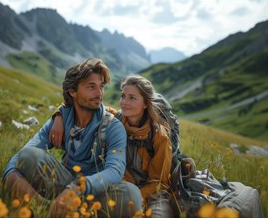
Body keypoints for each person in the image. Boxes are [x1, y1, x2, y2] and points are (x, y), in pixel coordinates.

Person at [3, 58, 142, 217]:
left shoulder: (113, 127)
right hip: (60, 184)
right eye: (91, 87)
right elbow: (25, 152)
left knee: (132, 195)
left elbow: (115, 170)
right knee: (28, 155)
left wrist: (78, 188)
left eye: (101, 87)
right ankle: (51, 208)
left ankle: (51, 210)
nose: (99, 93)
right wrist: (10, 173)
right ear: (73, 92)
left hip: (92, 192)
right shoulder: (60, 120)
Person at [52, 74, 180, 217]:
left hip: (150, 194)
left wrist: (138, 199)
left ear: (145, 103)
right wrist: (58, 115)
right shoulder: (114, 118)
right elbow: (82, 104)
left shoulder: (160, 136)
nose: (124, 102)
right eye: (123, 96)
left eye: (132, 98)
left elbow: (158, 182)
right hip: (118, 186)